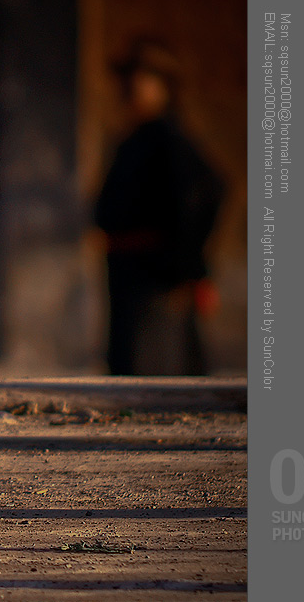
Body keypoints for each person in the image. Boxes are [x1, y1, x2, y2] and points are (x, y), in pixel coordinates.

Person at [94, 38, 224, 376]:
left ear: (163, 87)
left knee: (157, 379)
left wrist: (187, 270)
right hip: (131, 275)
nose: (130, 90)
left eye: (140, 80)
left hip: (158, 281)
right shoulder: (135, 139)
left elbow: (202, 198)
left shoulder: (168, 140)